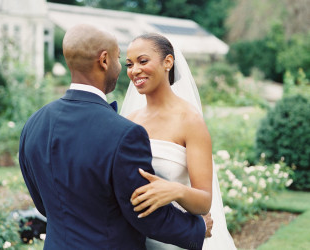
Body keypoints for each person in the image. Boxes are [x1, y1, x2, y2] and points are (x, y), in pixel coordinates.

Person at [19, 24, 212, 250]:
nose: (128, 70)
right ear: (104, 60)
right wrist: (196, 228)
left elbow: (43, 204)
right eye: (123, 60)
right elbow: (141, 210)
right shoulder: (125, 131)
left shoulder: (33, 124)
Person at [120, 33, 236, 250]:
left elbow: (204, 201)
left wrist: (176, 191)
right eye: (129, 64)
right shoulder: (129, 121)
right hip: (139, 240)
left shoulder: (189, 121)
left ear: (168, 62)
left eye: (143, 61)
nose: (134, 70)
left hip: (181, 241)